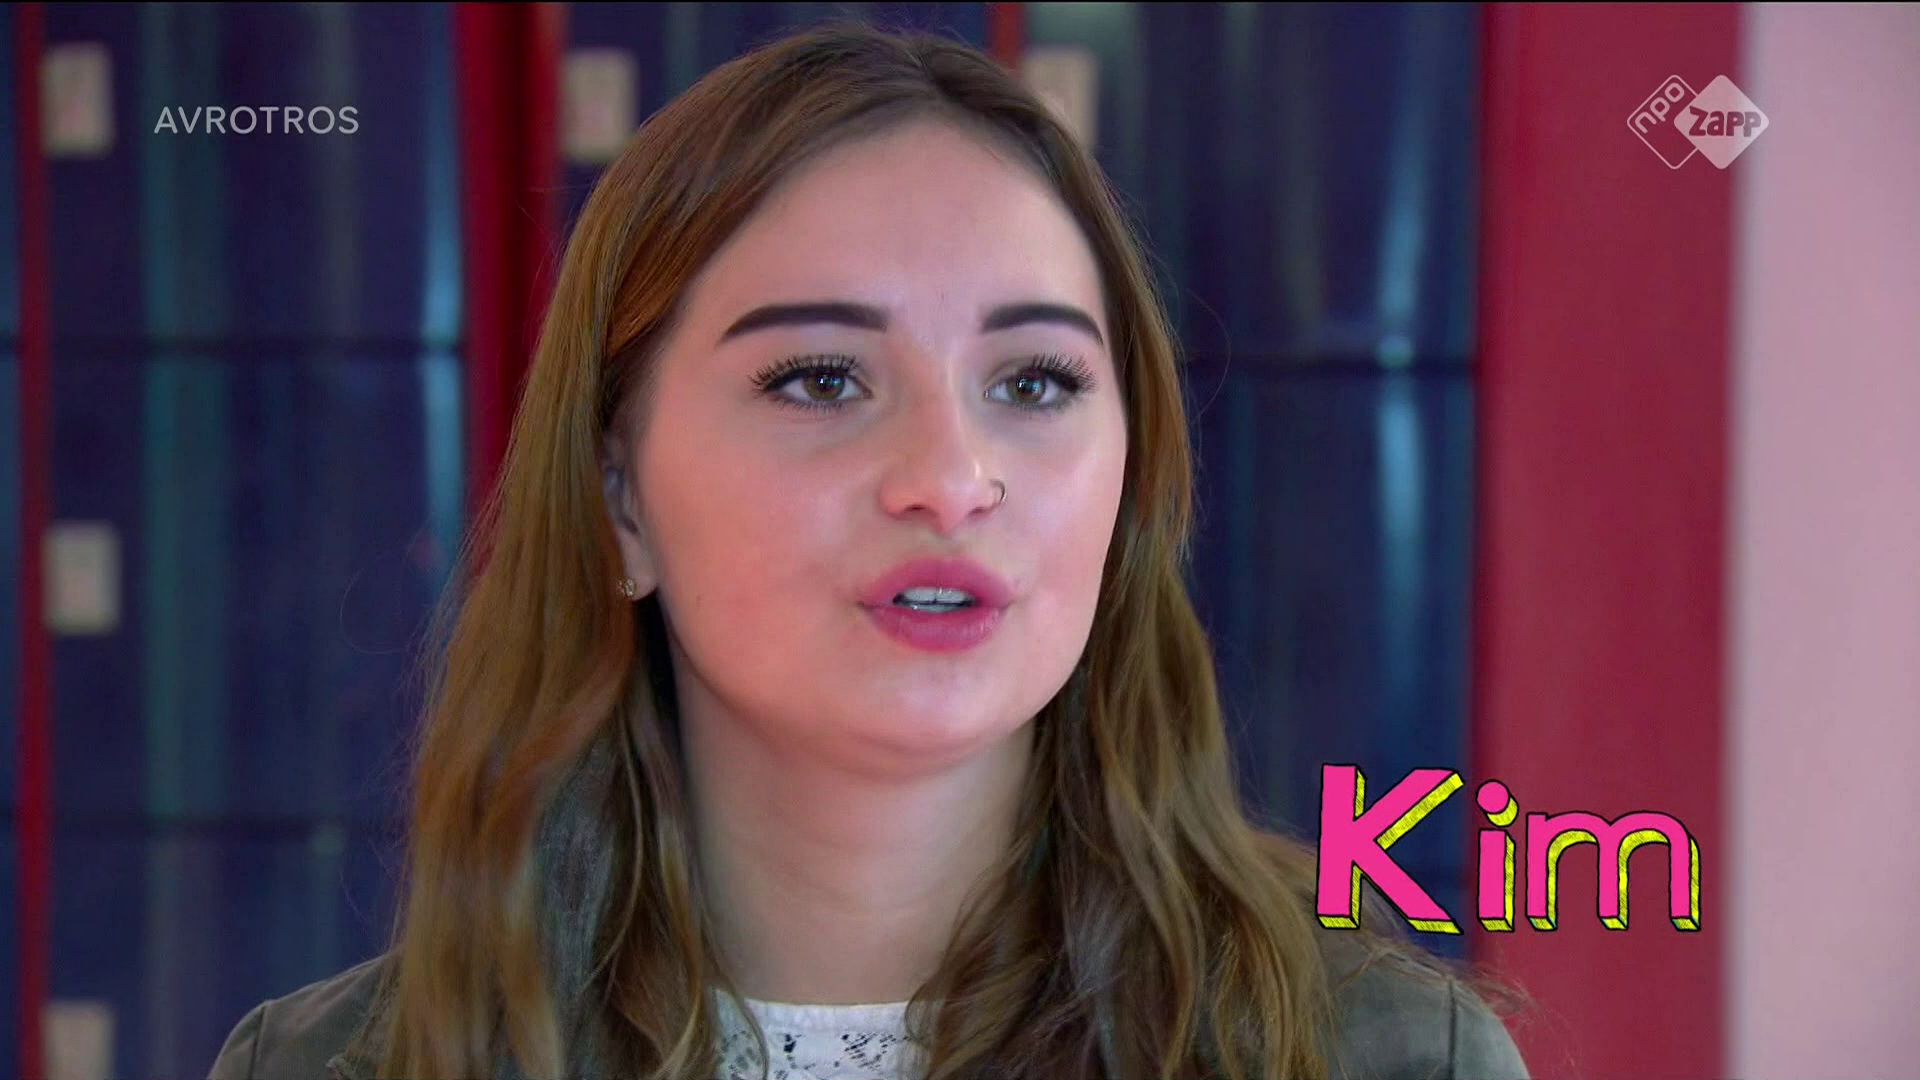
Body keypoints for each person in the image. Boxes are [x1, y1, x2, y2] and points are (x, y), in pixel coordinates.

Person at [208, 19, 1531, 1080]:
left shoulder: (1385, 1058)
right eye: (822, 379)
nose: (950, 479)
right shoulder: (333, 1067)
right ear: (619, 500)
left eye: (1034, 382)